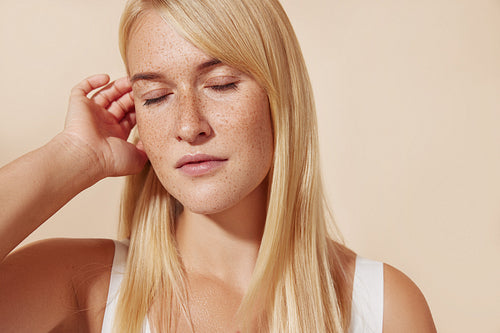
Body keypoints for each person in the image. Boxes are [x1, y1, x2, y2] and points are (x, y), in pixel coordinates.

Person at [0, 0, 436, 332]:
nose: (189, 126)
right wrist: (71, 157)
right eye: (155, 97)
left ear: (279, 97)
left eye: (221, 84)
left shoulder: (383, 307)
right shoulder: (81, 286)